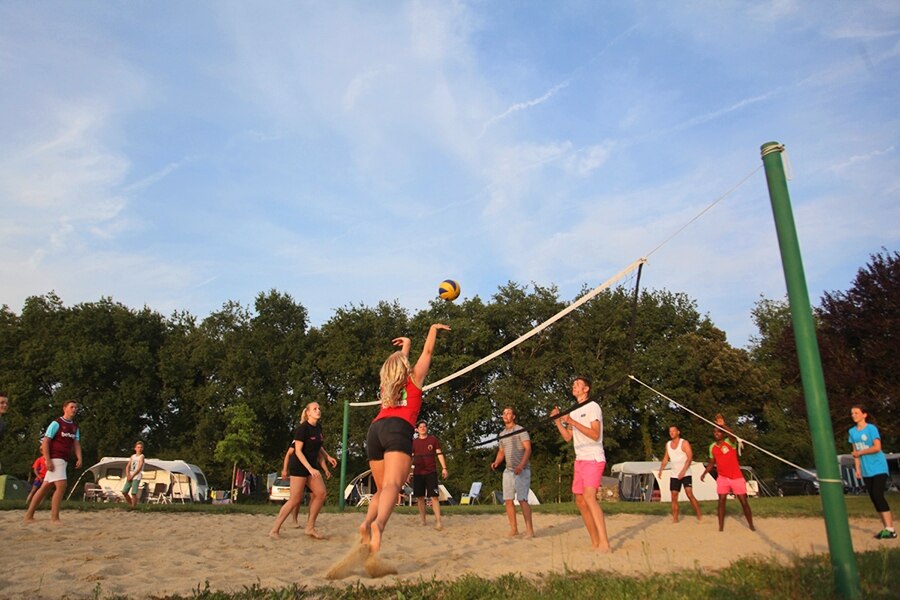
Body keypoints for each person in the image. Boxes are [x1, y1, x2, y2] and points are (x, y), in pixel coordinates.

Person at [359, 323, 450, 558]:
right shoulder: (415, 378)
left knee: (381, 489)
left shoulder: (388, 386)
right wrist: (432, 330)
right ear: (405, 366)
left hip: (375, 429)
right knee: (392, 486)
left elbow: (401, 364)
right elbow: (428, 353)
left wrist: (407, 345)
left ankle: (367, 523)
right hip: (398, 429)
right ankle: (379, 525)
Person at [551, 376, 611, 552]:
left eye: (577, 384)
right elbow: (568, 437)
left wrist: (571, 421)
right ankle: (595, 542)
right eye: (573, 384)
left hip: (594, 457)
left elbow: (595, 434)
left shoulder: (593, 407)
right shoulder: (574, 411)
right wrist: (557, 422)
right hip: (580, 459)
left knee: (589, 496)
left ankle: (605, 543)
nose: (574, 386)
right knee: (580, 500)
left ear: (586, 389)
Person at [270, 401, 338, 539]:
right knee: (295, 499)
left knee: (321, 493)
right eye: (315, 409)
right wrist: (309, 468)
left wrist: (327, 456)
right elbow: (298, 451)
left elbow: (318, 446)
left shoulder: (318, 427)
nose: (318, 410)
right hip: (299, 466)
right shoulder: (302, 429)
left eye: (319, 408)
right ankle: (274, 530)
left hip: (311, 466)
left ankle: (310, 527)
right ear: (308, 413)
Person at [24, 400, 83, 523]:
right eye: (72, 407)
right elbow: (46, 441)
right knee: (61, 486)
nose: (74, 409)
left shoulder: (74, 426)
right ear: (64, 408)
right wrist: (47, 459)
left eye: (76, 407)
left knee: (45, 487)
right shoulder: (57, 423)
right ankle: (54, 518)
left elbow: (76, 443)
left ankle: (29, 515)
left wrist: (79, 457)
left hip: (64, 459)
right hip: (56, 457)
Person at [849, 405, 896, 539]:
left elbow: (877, 447)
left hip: (878, 467)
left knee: (878, 494)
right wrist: (857, 469)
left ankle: (891, 529)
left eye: (856, 413)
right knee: (874, 498)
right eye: (852, 413)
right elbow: (855, 452)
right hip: (866, 469)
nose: (854, 415)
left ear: (864, 414)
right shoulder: (852, 432)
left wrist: (861, 452)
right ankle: (886, 528)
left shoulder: (871, 429)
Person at [700, 415, 754, 532]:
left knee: (743, 501)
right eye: (715, 432)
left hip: (736, 476)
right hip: (723, 477)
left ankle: (751, 525)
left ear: (723, 433)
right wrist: (704, 473)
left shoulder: (730, 442)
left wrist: (722, 425)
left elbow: (733, 435)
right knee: (721, 500)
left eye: (719, 432)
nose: (716, 433)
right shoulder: (712, 447)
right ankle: (720, 527)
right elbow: (711, 462)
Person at [490, 406, 534, 538]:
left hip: (523, 470)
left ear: (513, 416)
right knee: (508, 500)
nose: (505, 415)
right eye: (503, 413)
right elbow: (501, 451)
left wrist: (521, 465)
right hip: (508, 470)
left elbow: (528, 449)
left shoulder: (520, 430)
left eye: (508, 413)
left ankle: (529, 530)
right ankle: (514, 529)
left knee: (522, 500)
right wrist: (497, 462)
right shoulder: (502, 434)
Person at [657, 425, 703, 523]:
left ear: (678, 432)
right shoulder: (668, 444)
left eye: (673, 431)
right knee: (674, 495)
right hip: (674, 474)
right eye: (670, 431)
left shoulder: (684, 443)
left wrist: (683, 471)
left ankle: (699, 516)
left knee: (689, 494)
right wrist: (661, 469)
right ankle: (675, 519)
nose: (672, 433)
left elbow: (690, 457)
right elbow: (666, 458)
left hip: (686, 473)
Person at [411, 421, 448, 530]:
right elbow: (410, 458)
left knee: (434, 497)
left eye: (424, 426)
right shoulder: (413, 443)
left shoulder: (433, 440)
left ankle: (438, 521)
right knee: (420, 497)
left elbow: (439, 454)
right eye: (420, 427)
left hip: (431, 472)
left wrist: (444, 468)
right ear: (417, 430)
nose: (422, 428)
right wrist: (408, 471)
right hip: (418, 472)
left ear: (426, 428)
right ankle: (423, 521)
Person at [122, 441, 146, 508]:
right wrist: (128, 475)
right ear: (135, 448)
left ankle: (133, 506)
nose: (139, 449)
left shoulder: (141, 456)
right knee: (124, 492)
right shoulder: (133, 456)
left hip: (136, 476)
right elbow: (128, 466)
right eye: (138, 447)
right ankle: (130, 504)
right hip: (130, 475)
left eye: (141, 447)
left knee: (133, 492)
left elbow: (139, 468)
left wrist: (132, 476)